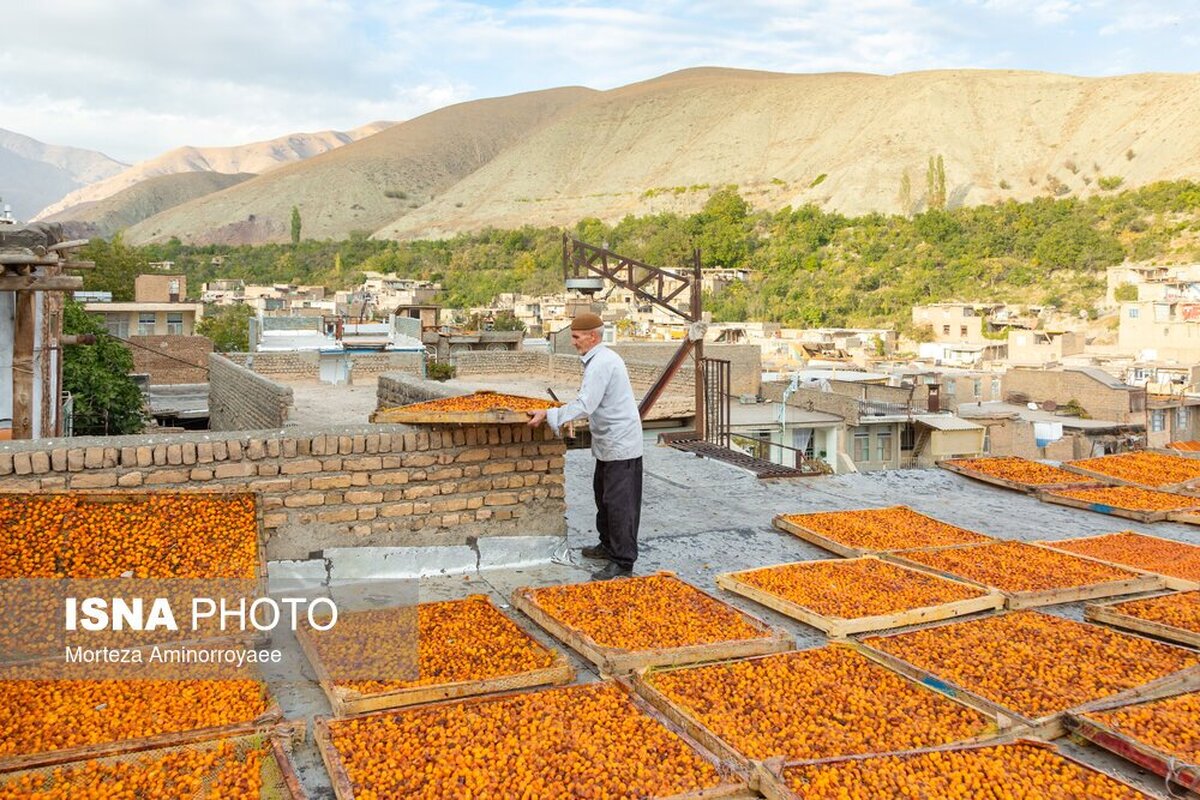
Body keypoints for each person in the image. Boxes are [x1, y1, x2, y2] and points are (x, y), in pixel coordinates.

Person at [528, 313, 643, 580]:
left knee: (619, 503)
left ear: (593, 336)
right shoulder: (598, 360)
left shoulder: (602, 363)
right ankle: (607, 545)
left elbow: (585, 404)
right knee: (603, 495)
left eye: (577, 337)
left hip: (620, 443)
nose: (574, 342)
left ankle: (623, 560)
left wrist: (549, 414)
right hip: (609, 442)